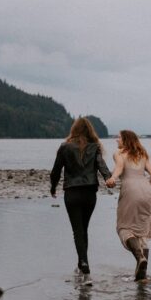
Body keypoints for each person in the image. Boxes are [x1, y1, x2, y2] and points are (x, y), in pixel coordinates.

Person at [50, 117, 112, 284]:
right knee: (84, 229)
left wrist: (53, 187)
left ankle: (83, 264)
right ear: (89, 130)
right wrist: (108, 178)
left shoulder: (65, 147)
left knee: (77, 230)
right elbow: (101, 165)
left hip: (72, 193)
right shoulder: (95, 147)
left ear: (74, 130)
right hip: (89, 194)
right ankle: (81, 263)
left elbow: (56, 170)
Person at [105, 130, 151, 281]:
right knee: (143, 231)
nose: (116, 140)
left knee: (124, 228)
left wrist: (113, 178)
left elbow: (119, 167)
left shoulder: (119, 153)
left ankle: (139, 257)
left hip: (130, 191)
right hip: (147, 191)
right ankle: (142, 274)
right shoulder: (142, 153)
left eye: (119, 137)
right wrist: (149, 190)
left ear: (125, 140)